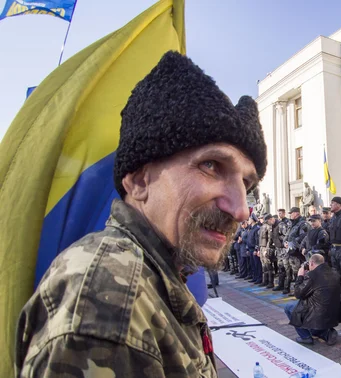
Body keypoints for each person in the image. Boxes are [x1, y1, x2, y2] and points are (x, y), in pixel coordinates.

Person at [15, 51, 267, 377]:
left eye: (246, 182)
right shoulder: (109, 302)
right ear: (138, 181)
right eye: (211, 165)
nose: (241, 209)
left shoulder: (158, 272)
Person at [284, 254, 341, 345]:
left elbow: (298, 294)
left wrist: (300, 277)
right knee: (312, 304)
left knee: (288, 307)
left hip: (317, 312)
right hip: (333, 312)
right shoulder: (335, 272)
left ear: (311, 263)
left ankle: (306, 337)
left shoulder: (311, 276)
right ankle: (325, 333)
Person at [284, 207, 310, 294]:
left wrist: (293, 241)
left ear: (297, 213)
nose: (290, 215)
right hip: (292, 251)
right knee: (294, 271)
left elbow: (304, 236)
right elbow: (287, 235)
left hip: (298, 252)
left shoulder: (303, 224)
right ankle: (296, 289)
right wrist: (286, 242)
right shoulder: (292, 224)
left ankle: (301, 290)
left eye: (292, 213)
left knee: (300, 271)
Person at [273, 210, 291, 291]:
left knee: (287, 268)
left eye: (280, 213)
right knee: (280, 267)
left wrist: (281, 239)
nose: (279, 215)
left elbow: (287, 235)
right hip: (279, 248)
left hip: (285, 248)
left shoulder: (288, 222)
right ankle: (281, 284)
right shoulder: (278, 223)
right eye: (278, 213)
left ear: (284, 213)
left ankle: (287, 287)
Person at [259, 214, 276, 288]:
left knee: (269, 266)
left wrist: (267, 249)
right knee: (264, 265)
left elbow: (269, 239)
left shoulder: (269, 227)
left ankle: (270, 282)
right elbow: (259, 239)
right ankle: (265, 281)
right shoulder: (262, 227)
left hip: (266, 247)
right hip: (262, 247)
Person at [247, 214, 262, 283]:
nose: (248, 221)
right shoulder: (250, 228)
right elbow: (248, 239)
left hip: (254, 249)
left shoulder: (257, 228)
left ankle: (259, 278)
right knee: (252, 264)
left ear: (253, 220)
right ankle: (254, 277)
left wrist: (256, 249)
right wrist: (247, 249)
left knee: (257, 264)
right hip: (250, 249)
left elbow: (257, 240)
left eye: (250, 219)